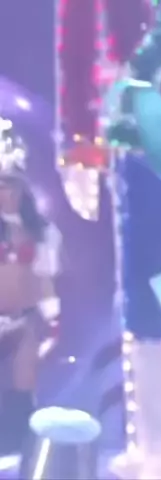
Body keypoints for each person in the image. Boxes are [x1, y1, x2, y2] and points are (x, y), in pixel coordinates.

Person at [0, 162, 61, 455]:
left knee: (23, 389)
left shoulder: (42, 231)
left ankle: (16, 451)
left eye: (11, 185)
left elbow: (45, 279)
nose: (6, 193)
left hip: (24, 320)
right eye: (1, 186)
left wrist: (53, 322)